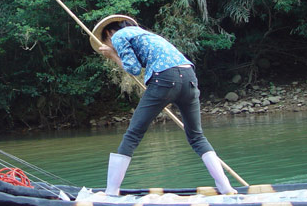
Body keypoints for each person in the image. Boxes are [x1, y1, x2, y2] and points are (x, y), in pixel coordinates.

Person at [91, 14, 236, 196]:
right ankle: (226, 187)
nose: (109, 46)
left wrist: (113, 55)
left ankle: (111, 191)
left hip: (165, 79)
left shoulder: (119, 36)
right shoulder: (146, 35)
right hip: (189, 77)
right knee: (197, 137)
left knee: (133, 134)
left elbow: (134, 69)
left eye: (105, 42)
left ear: (108, 33)